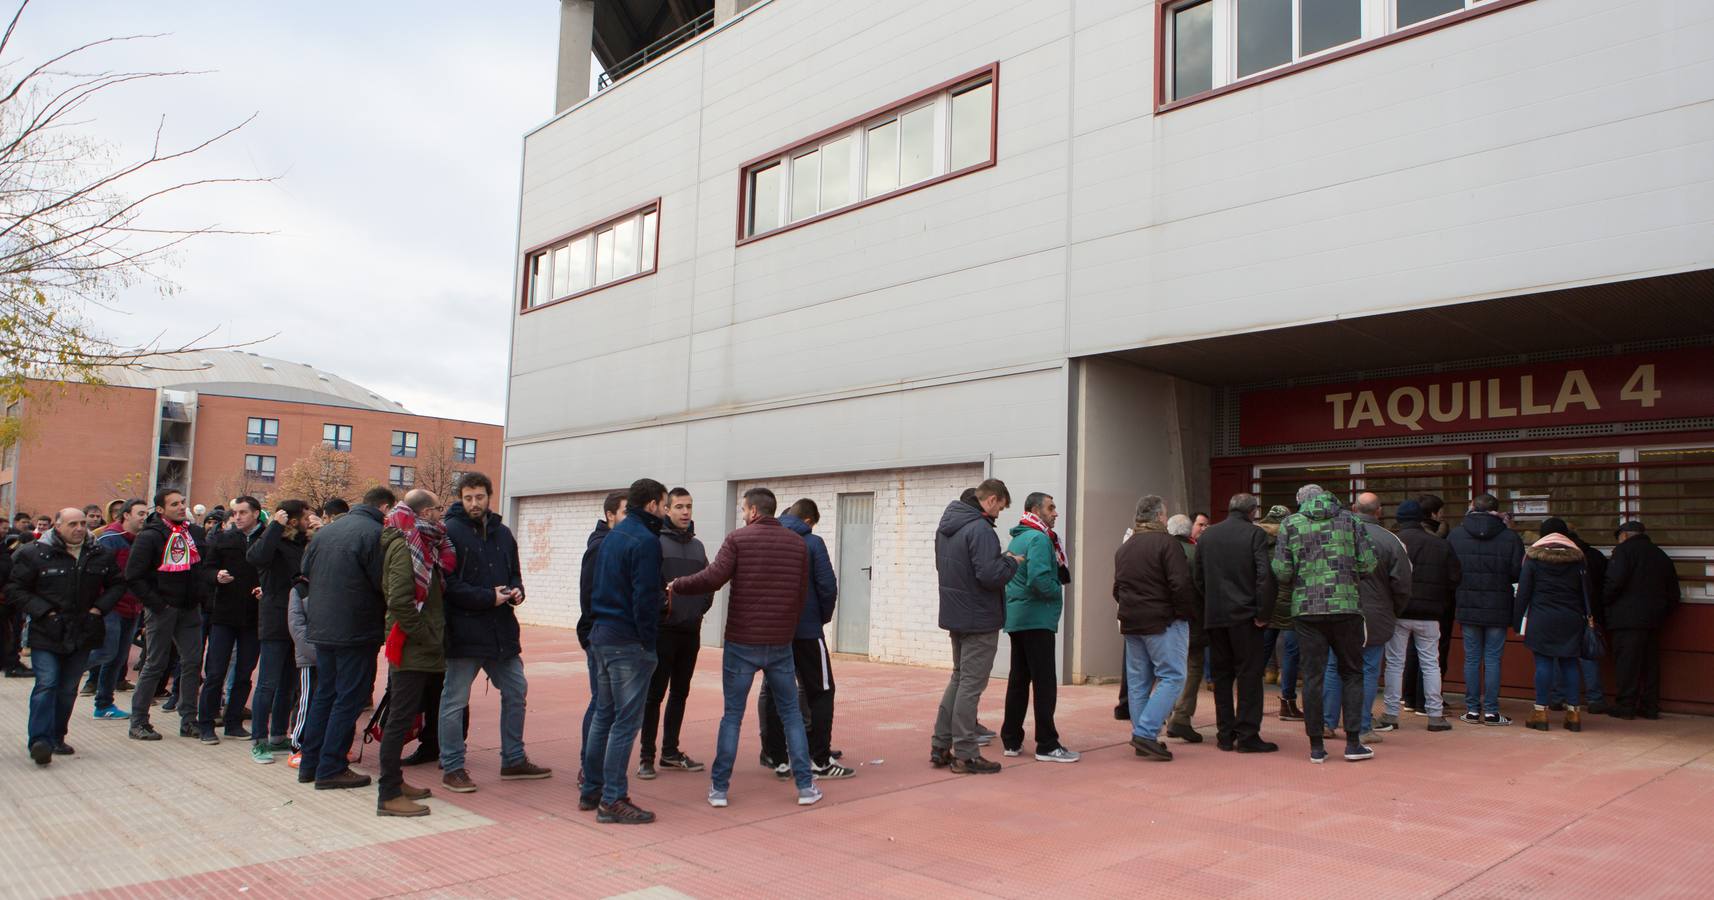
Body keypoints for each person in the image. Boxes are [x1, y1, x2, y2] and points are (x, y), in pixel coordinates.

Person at [669, 486, 821, 807]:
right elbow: (800, 594)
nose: (742, 514)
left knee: (732, 717)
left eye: (743, 509)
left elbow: (713, 578)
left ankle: (719, 789)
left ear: (753, 511)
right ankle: (806, 787)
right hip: (780, 642)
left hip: (742, 641)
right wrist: (786, 627)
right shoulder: (797, 545)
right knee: (791, 714)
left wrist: (678, 585)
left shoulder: (738, 539)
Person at [437, 472, 550, 794]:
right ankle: (453, 765)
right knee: (454, 700)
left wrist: (516, 592)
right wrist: (488, 596)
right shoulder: (449, 532)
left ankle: (513, 759)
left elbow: (515, 573)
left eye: (480, 497)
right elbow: (448, 584)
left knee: (517, 690)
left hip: (501, 631)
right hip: (464, 632)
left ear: (490, 496)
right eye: (469, 498)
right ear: (461, 498)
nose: (475, 503)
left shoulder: (503, 533)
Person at [296, 486, 395, 790]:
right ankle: (332, 767)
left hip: (323, 627)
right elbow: (385, 583)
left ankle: (310, 763)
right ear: (384, 507)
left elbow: (305, 571)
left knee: (325, 695)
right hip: (356, 630)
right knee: (348, 698)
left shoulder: (327, 532)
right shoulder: (375, 535)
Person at [9, 508, 125, 764]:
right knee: (47, 683)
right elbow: (16, 589)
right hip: (47, 631)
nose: (80, 528)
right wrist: (45, 612)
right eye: (73, 523)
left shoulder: (99, 554)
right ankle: (40, 740)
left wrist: (98, 609)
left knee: (67, 688)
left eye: (83, 523)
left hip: (83, 630)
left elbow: (118, 584)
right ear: (58, 526)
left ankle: (57, 736)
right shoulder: (35, 553)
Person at [583, 478, 669, 823]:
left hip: (603, 636)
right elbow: (644, 598)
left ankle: (592, 790)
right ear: (651, 505)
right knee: (624, 722)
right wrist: (648, 642)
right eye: (664, 505)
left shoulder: (613, 535)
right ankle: (612, 799)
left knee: (604, 716)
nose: (665, 511)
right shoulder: (645, 541)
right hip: (626, 643)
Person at [1273, 484, 1376, 764]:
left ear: (1300, 501)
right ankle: (1353, 742)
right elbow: (1368, 564)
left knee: (1313, 676)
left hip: (1307, 609)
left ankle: (1316, 746)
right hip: (1346, 607)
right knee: (1352, 673)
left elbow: (1281, 571)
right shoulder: (1350, 520)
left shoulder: (1290, 524)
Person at [928, 479, 1020, 774]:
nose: (998, 514)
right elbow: (990, 575)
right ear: (992, 500)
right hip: (979, 617)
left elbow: (950, 568)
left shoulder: (948, 527)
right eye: (1001, 507)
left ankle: (941, 745)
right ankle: (966, 754)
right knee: (970, 685)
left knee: (958, 679)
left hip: (957, 613)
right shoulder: (980, 529)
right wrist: (1012, 563)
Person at [760, 498, 852, 776]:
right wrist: (820, 618)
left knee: (775, 691)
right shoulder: (812, 543)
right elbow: (827, 586)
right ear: (809, 521)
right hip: (807, 632)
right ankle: (819, 759)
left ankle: (776, 756)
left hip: (777, 632)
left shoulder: (769, 541)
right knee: (821, 691)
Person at [377, 490, 452, 817]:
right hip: (410, 645)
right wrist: (426, 637)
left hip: (416, 645)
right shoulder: (408, 546)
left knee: (404, 715)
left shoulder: (421, 544)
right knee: (399, 720)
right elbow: (399, 602)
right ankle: (388, 795)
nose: (441, 515)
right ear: (424, 512)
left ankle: (395, 781)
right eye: (437, 509)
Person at [1195, 493, 1279, 753]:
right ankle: (1247, 735)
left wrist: (1208, 606)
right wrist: (1263, 612)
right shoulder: (1254, 535)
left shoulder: (1207, 536)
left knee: (1221, 677)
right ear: (1252, 511)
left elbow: (1197, 577)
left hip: (1216, 616)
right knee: (1249, 676)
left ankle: (1224, 734)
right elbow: (1265, 575)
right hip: (1245, 616)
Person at [1324, 493, 1410, 744]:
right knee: (1369, 670)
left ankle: (1327, 723)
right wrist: (1395, 610)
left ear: (1353, 508)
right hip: (1376, 613)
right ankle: (1362, 726)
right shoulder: (1390, 541)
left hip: (1339, 609)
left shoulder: (1335, 535)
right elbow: (1402, 582)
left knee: (1333, 666)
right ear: (1379, 511)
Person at [999, 492, 1079, 763]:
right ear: (1035, 510)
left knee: (1019, 680)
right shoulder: (1040, 539)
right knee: (1044, 683)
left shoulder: (1019, 537)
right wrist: (1057, 591)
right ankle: (1047, 743)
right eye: (1051, 508)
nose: (1056, 513)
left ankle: (1011, 739)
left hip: (1018, 618)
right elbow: (1040, 579)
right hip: (1037, 619)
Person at [126, 489, 210, 741]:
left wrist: (201, 595)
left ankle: (188, 719)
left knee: (192, 662)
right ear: (160, 509)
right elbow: (134, 575)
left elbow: (202, 567)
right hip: (163, 608)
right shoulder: (150, 536)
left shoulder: (193, 533)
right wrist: (157, 604)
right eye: (174, 504)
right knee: (155, 663)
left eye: (183, 502)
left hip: (189, 608)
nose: (180, 506)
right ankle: (138, 721)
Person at [638, 487, 711, 781]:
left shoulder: (698, 547)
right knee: (654, 695)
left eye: (689, 507)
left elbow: (708, 584)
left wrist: (698, 610)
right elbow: (647, 586)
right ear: (666, 509)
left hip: (690, 632)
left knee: (680, 693)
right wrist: (666, 609)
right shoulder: (655, 544)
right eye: (679, 506)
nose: (685, 512)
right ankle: (646, 757)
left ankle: (670, 752)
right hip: (662, 632)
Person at [1114, 494, 1194, 762]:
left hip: (1132, 621)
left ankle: (1143, 734)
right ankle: (1146, 733)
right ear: (1160, 516)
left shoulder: (1125, 547)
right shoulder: (1167, 544)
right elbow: (1180, 584)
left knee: (1139, 682)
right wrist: (1182, 613)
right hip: (1162, 621)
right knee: (1173, 676)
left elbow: (1118, 588)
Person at [1448, 493, 1524, 726]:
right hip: (1499, 605)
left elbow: (1450, 570)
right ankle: (1491, 711)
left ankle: (1472, 710)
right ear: (1497, 510)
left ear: (1472, 507)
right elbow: (1517, 572)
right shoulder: (1510, 537)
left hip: (1467, 603)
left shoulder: (1456, 534)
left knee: (1471, 658)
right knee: (1493, 659)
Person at [1385, 499, 1458, 732]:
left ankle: (1390, 714)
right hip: (1431, 613)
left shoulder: (1392, 542)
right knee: (1431, 663)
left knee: (1395, 664)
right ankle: (1434, 714)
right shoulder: (1439, 544)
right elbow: (1455, 577)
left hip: (1399, 611)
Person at [247, 499, 310, 764]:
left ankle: (277, 735)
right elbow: (256, 557)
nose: (309, 520)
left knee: (289, 683)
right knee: (268, 683)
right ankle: (259, 740)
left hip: (297, 620)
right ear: (293, 520)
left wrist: (318, 531)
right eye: (305, 517)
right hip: (274, 617)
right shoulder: (271, 541)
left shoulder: (302, 543)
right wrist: (274, 526)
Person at [198, 496, 264, 744]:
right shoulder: (223, 539)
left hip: (253, 615)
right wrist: (216, 575)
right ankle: (206, 723)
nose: (237, 517)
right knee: (215, 671)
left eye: (243, 512)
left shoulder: (267, 539)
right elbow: (205, 570)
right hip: (224, 613)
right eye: (234, 513)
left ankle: (233, 722)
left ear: (256, 514)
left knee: (244, 672)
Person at [1514, 530, 1592, 733]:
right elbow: (1586, 592)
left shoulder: (1533, 560)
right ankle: (1574, 713)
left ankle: (1540, 711)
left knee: (1543, 663)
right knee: (1570, 663)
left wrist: (1516, 621)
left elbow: (1523, 593)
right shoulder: (1578, 562)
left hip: (1542, 618)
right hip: (1571, 618)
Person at [1603, 521, 1679, 720]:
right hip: (1653, 620)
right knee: (1650, 665)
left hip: (1626, 619)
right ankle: (1650, 706)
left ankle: (1626, 706)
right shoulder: (1660, 555)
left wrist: (1604, 604)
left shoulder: (1623, 552)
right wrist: (1661, 613)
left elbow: (1614, 583)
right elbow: (1673, 593)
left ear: (1625, 536)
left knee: (1627, 664)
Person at [577, 491, 626, 786]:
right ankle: (589, 768)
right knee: (601, 704)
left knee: (607, 705)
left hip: (611, 636)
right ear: (610, 515)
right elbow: (589, 595)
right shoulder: (601, 547)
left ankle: (598, 767)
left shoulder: (618, 543)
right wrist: (592, 635)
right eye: (625, 512)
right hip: (601, 636)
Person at [1539, 518, 1608, 714]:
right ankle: (1594, 699)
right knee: (1587, 656)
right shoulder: (1591, 556)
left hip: (1552, 614)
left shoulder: (1545, 557)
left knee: (1559, 658)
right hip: (1585, 613)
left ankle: (1557, 697)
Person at [87, 499, 147, 718]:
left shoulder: (141, 540)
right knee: (105, 651)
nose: (143, 517)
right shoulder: (109, 539)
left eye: (145, 513)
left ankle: (103, 704)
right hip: (110, 606)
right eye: (140, 513)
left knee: (117, 658)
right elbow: (95, 575)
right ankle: (66, 673)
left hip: (133, 606)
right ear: (126, 515)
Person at [1164, 514, 1208, 744]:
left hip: (1162, 620)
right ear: (1189, 530)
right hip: (1193, 620)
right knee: (1192, 667)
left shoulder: (1160, 550)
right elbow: (1202, 586)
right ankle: (1181, 717)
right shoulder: (1194, 553)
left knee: (1166, 669)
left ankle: (1165, 712)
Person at [1258, 505, 1301, 722]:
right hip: (1289, 604)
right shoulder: (1292, 538)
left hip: (1264, 604)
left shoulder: (1257, 540)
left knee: (1260, 654)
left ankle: (1251, 701)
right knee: (1291, 655)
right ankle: (1288, 702)